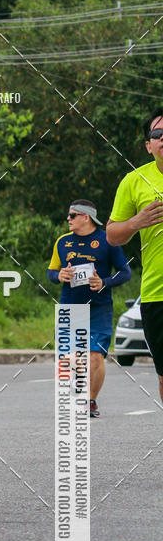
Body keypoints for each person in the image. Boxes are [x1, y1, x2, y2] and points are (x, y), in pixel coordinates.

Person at [47, 200, 131, 418]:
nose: (68, 219)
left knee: (95, 356)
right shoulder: (62, 242)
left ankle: (90, 401)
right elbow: (51, 272)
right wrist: (59, 275)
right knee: (69, 358)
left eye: (72, 215)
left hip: (99, 308)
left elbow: (125, 272)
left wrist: (104, 282)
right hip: (70, 307)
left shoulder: (108, 240)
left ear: (86, 217)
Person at [107, 108, 163, 403]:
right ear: (148, 145)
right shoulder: (134, 181)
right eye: (158, 134)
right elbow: (112, 235)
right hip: (157, 294)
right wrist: (136, 222)